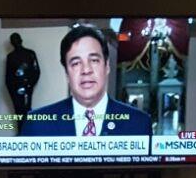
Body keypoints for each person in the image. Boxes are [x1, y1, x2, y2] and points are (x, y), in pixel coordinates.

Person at [18, 23, 150, 137]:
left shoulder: (139, 123)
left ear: (107, 66)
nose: (86, 70)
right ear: (67, 73)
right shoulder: (36, 124)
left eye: (94, 60)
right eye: (76, 63)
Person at [4, 32, 41, 118]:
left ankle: (27, 126)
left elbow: (37, 71)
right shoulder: (10, 56)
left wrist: (30, 85)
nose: (16, 43)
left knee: (27, 110)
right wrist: (12, 90)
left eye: (17, 40)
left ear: (21, 40)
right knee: (18, 112)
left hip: (27, 86)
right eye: (14, 41)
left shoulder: (30, 53)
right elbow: (8, 76)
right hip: (15, 88)